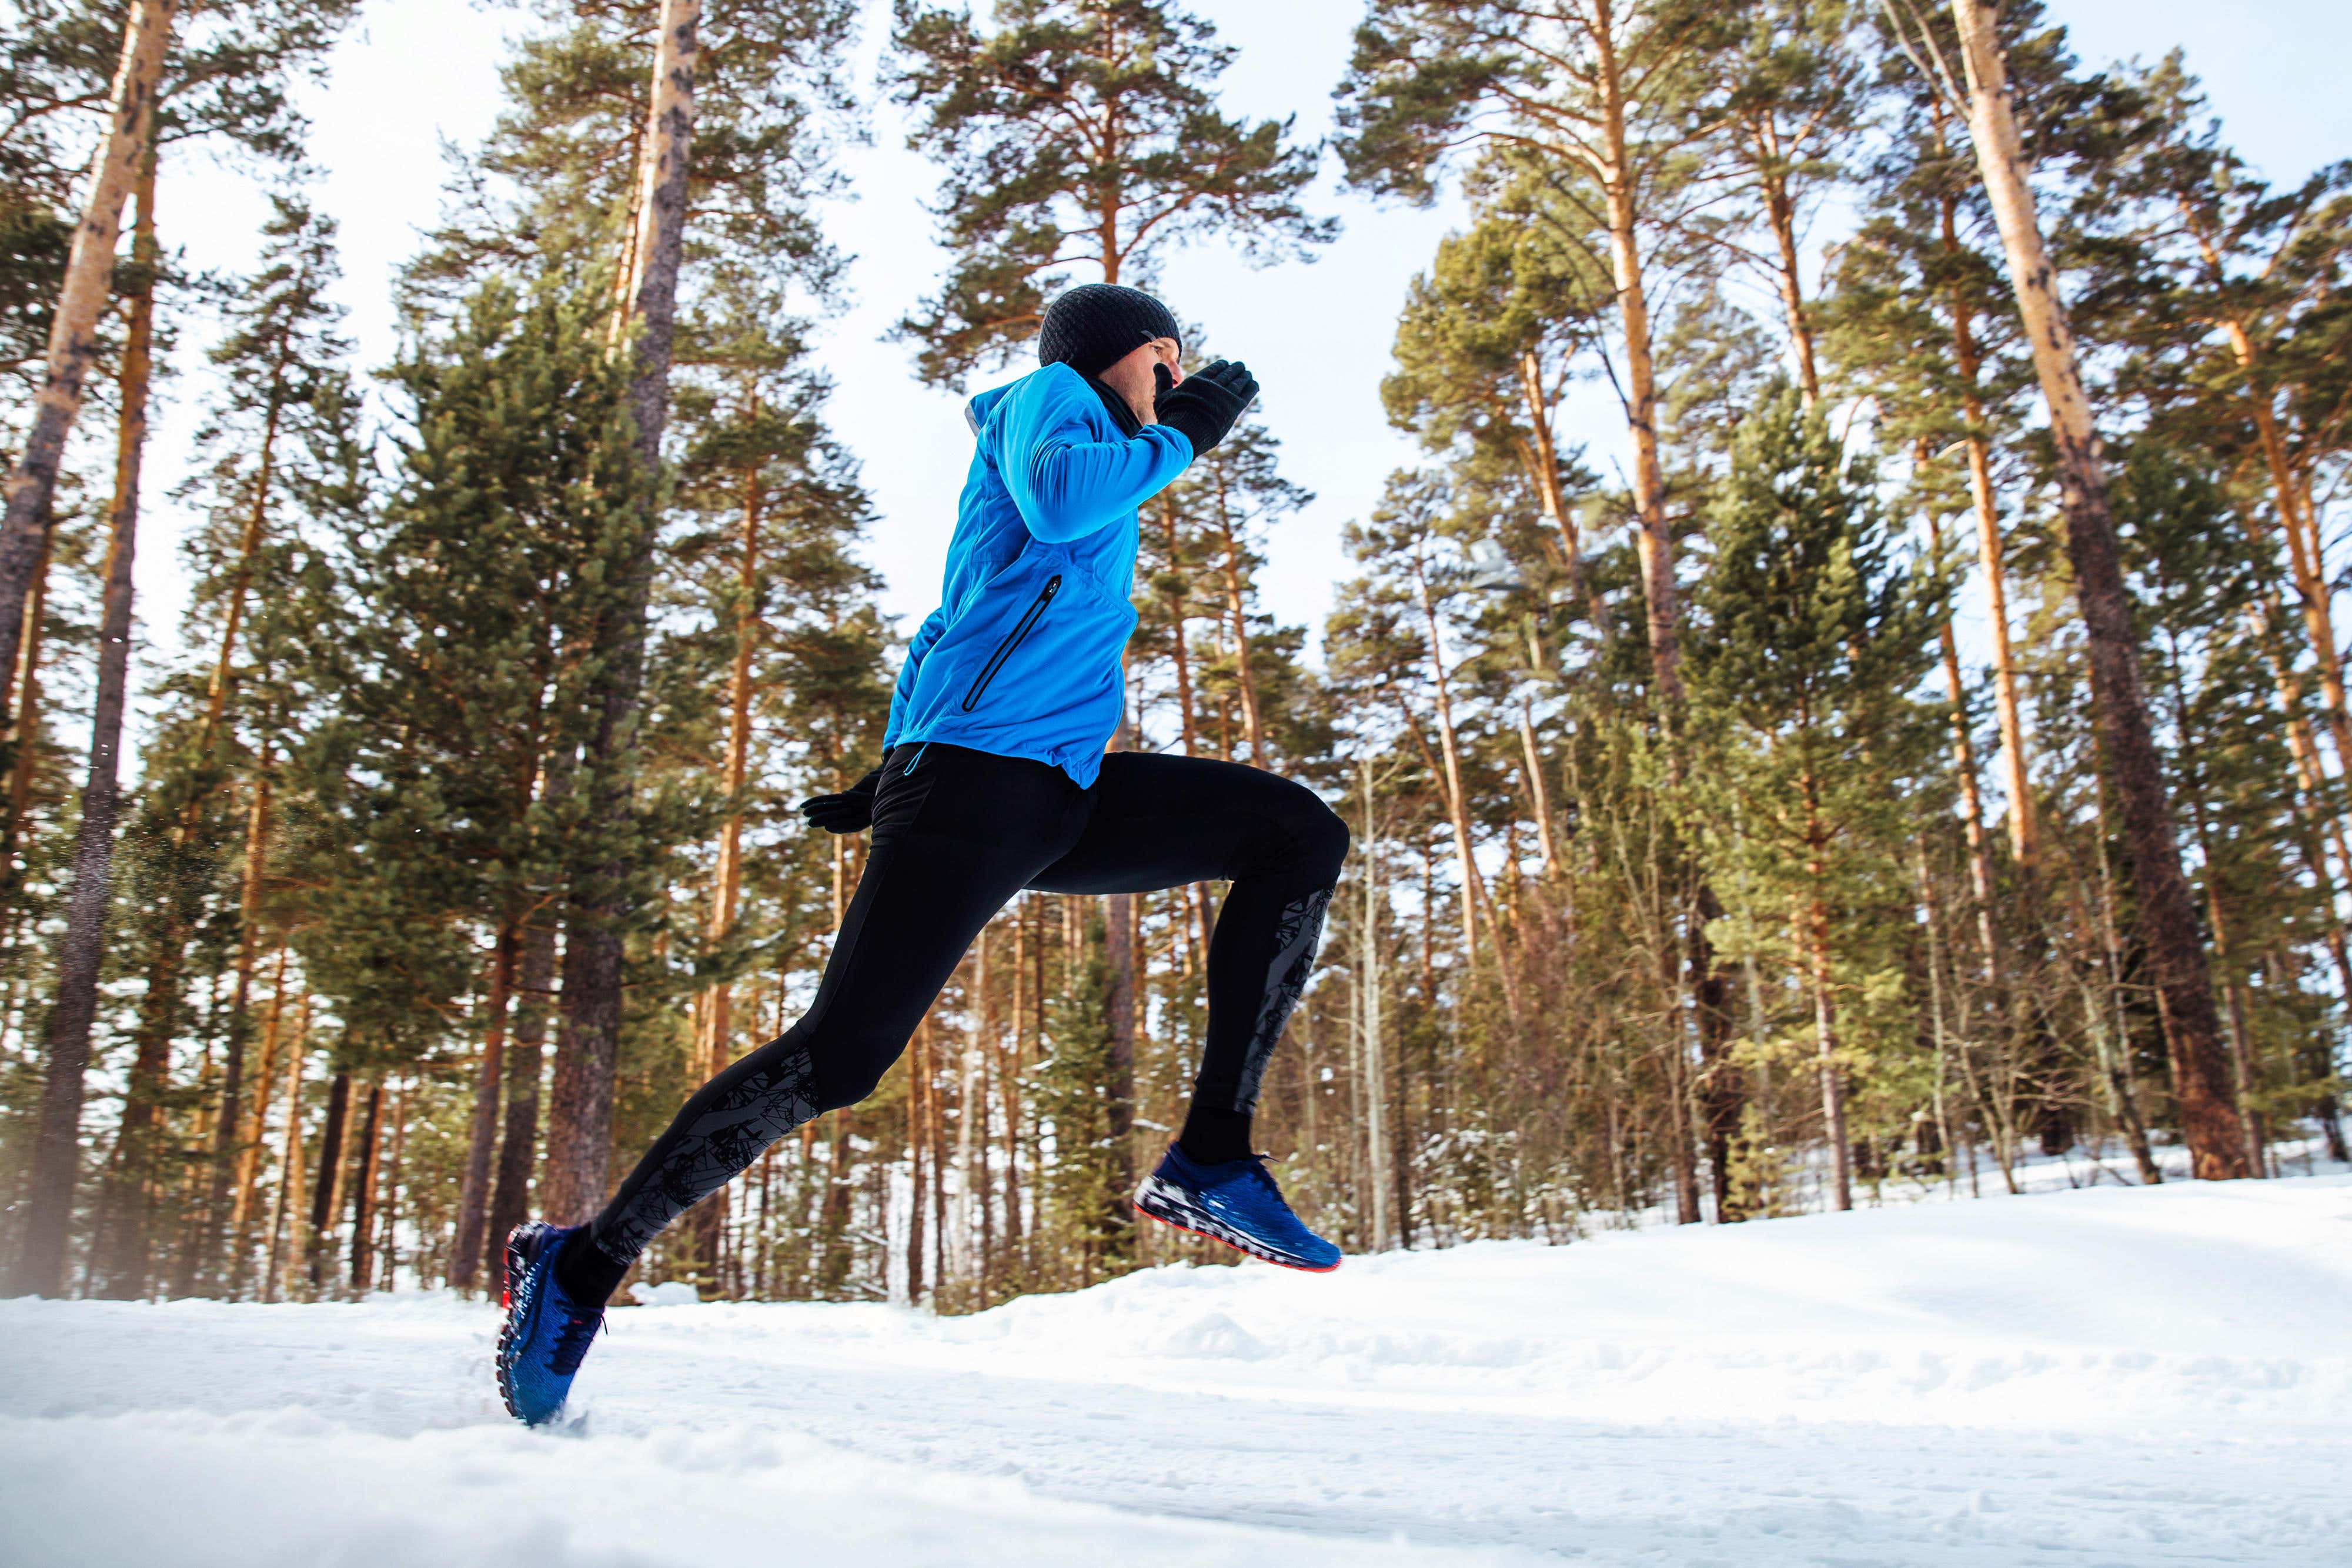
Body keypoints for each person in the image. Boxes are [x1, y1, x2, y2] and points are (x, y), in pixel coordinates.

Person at [496, 283, 1349, 1427]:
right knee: (839, 1057)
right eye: (1165, 362)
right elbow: (1053, 505)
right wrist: (1191, 425)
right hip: (982, 781)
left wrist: (880, 769)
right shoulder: (1047, 403)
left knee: (1296, 832)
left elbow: (959, 614)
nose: (1168, 384)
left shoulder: (1104, 445)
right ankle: (581, 1266)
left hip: (1052, 784)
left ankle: (1210, 1154)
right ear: (1135, 353)